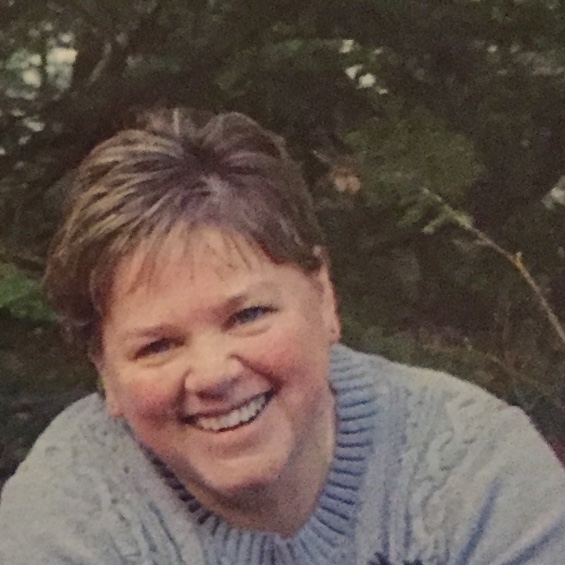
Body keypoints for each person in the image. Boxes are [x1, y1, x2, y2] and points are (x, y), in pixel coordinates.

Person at [1, 108, 565, 565]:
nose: (214, 373)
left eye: (247, 316)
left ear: (323, 298)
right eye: (158, 346)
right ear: (105, 372)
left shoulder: (477, 473)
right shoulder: (65, 519)